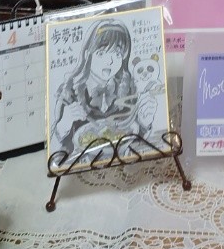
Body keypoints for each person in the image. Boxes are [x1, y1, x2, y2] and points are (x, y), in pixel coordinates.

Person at [51, 20, 156, 156]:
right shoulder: (69, 91)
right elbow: (56, 152)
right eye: (101, 53)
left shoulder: (129, 88)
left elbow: (137, 144)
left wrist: (145, 123)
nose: (110, 61)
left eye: (117, 54)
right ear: (87, 54)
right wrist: (64, 124)